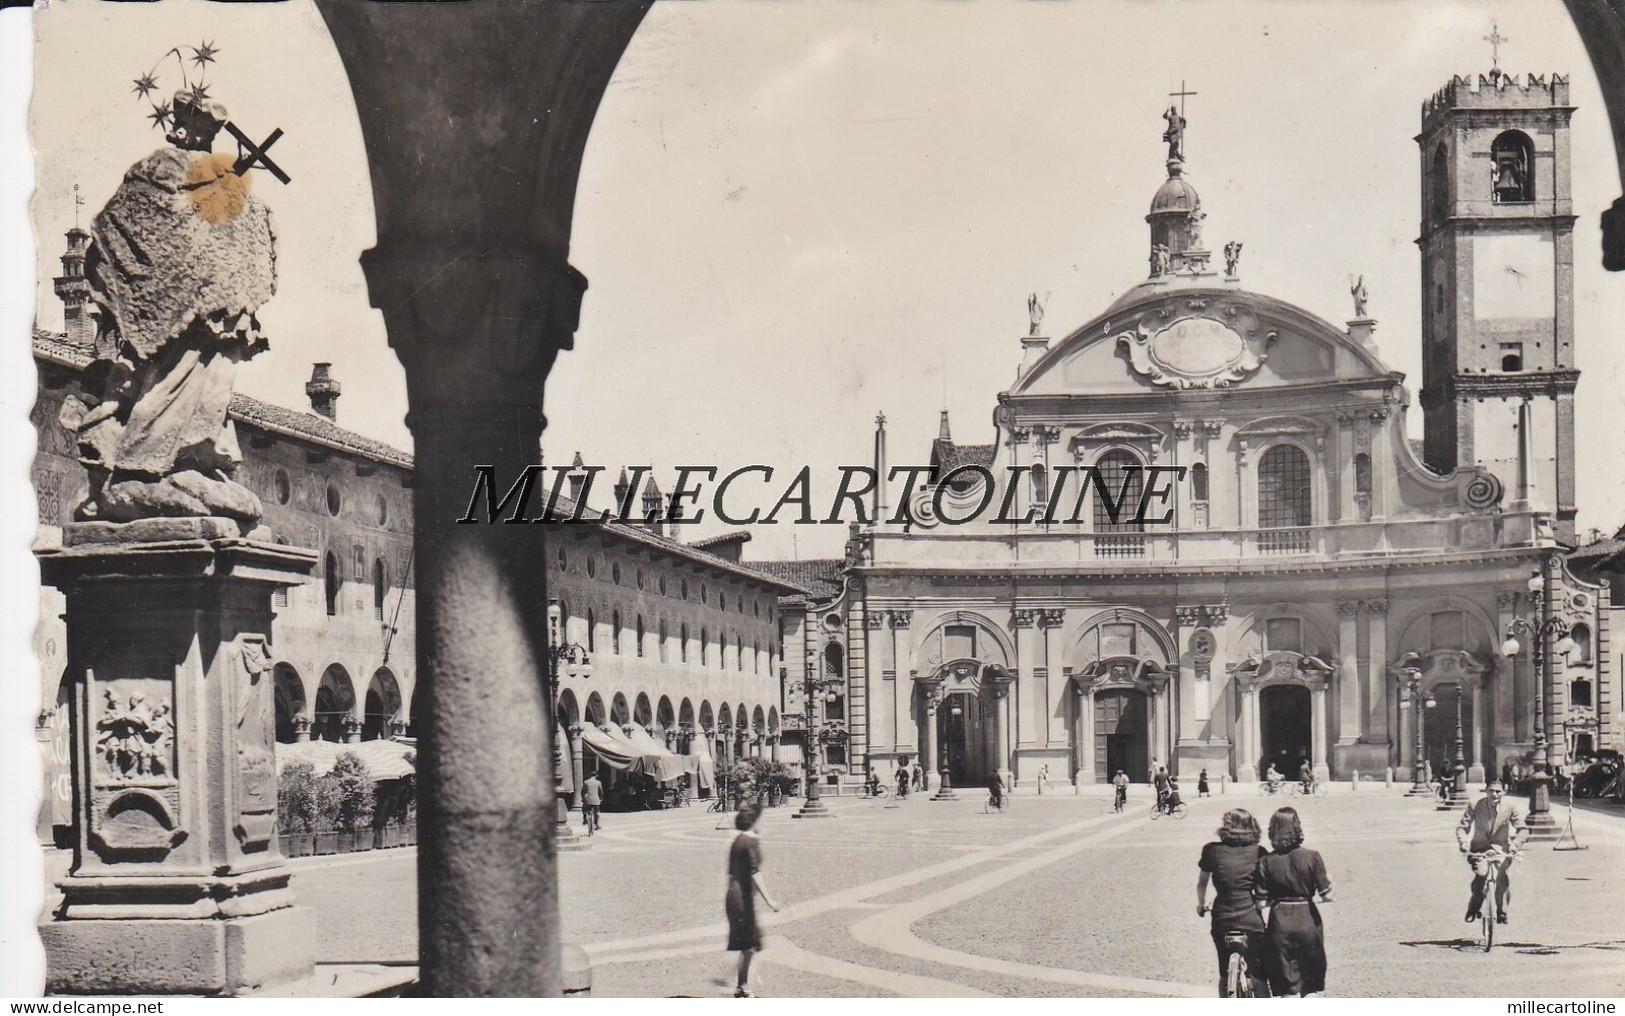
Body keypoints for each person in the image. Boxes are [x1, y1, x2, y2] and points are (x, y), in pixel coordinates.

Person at [1255, 807, 1333, 997]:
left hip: (1280, 923)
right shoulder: (1312, 856)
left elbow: (1261, 903)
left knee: (1287, 989)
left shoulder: (1266, 861)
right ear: (1297, 827)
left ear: (1272, 831)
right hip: (1307, 920)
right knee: (1310, 987)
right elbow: (1327, 895)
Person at [1197, 809, 1270, 997]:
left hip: (1222, 916)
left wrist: (1201, 904)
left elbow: (1202, 883)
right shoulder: (1259, 852)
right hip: (1250, 915)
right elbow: (1266, 885)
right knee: (1258, 972)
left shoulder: (1211, 850)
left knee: (1223, 970)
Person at [725, 801, 780, 997]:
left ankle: (740, 984)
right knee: (749, 944)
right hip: (742, 898)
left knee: (749, 944)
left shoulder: (738, 840)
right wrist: (770, 900)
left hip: (733, 895)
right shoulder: (750, 842)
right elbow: (755, 873)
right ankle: (742, 987)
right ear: (754, 821)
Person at [1455, 780, 1528, 925]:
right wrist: (1463, 843)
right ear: (1486, 791)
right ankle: (1474, 907)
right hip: (1479, 849)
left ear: (1503, 792)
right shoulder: (1476, 806)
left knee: (1501, 877)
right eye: (1491, 790)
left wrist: (1515, 845)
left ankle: (1502, 912)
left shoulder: (1510, 807)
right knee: (1481, 876)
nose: (1494, 794)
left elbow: (1523, 829)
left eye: (1498, 791)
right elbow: (1462, 828)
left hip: (1502, 850)